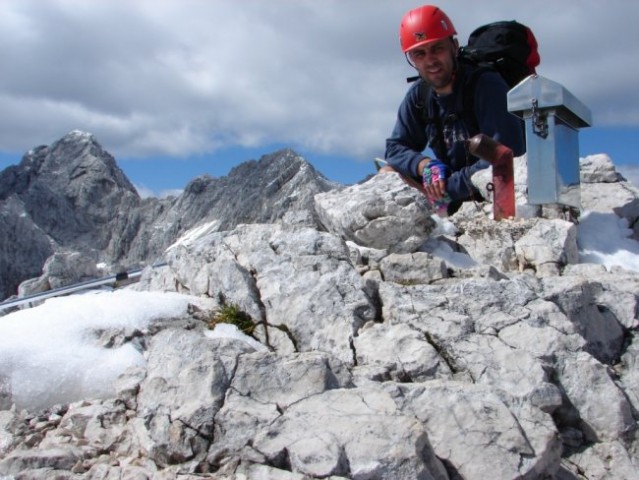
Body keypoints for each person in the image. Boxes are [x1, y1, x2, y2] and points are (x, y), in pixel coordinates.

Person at [381, 5, 525, 215]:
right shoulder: (419, 95)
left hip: (493, 189)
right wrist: (424, 165)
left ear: (454, 46)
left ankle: (442, 216)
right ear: (412, 59)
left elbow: (507, 156)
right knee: (388, 174)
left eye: (437, 48)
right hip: (450, 193)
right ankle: (437, 223)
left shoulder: (486, 85)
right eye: (419, 53)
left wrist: (446, 188)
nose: (430, 60)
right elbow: (395, 149)